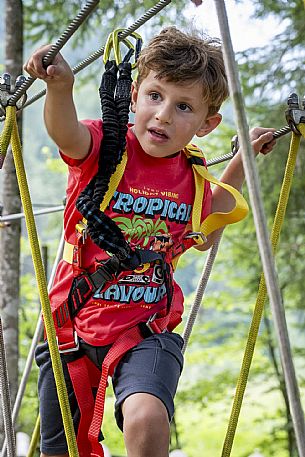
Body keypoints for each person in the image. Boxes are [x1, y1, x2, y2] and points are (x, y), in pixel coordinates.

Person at [24, 27, 276, 457]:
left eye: (183, 107)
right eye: (155, 96)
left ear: (206, 124)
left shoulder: (192, 178)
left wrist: (240, 163)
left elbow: (207, 225)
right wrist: (60, 87)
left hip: (145, 332)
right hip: (72, 330)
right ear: (135, 94)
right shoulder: (107, 149)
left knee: (145, 416)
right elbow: (66, 134)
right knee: (61, 450)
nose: (162, 115)